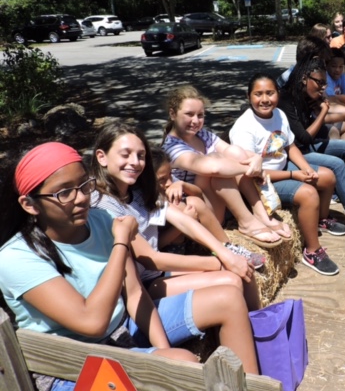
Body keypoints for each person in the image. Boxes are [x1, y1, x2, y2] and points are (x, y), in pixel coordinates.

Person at [0, 143, 259, 391]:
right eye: (64, 192)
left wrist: (161, 348)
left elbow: (134, 293)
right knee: (186, 365)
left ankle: (253, 385)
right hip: (71, 363)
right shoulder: (16, 257)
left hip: (122, 327)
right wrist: (121, 243)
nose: (81, 198)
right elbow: (92, 322)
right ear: (29, 204)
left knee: (228, 298)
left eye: (84, 185)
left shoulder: (99, 219)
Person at [90, 121, 261, 311]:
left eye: (140, 156)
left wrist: (225, 253)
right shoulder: (103, 205)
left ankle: (260, 324)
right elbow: (149, 258)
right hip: (140, 289)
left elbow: (183, 221)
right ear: (101, 157)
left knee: (242, 272)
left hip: (158, 274)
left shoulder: (137, 190)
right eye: (125, 154)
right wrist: (219, 262)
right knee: (232, 279)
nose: (135, 162)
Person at [230, 73, 344, 275]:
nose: (265, 99)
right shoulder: (244, 127)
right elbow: (250, 174)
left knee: (327, 177)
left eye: (270, 93)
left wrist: (304, 168)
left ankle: (320, 219)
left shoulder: (279, 115)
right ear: (249, 97)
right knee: (308, 194)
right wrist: (294, 176)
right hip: (262, 181)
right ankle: (312, 251)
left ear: (277, 94)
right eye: (258, 94)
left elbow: (290, 146)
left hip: (284, 167)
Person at [162, 85, 291, 248]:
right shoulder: (171, 147)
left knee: (234, 152)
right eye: (189, 114)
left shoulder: (201, 134)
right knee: (216, 163)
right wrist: (251, 170)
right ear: (173, 114)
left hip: (215, 203)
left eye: (200, 115)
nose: (195, 121)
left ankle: (261, 213)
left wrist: (256, 158)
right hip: (201, 214)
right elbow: (212, 168)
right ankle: (246, 221)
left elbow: (235, 152)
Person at [278, 56, 345, 245]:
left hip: (308, 146)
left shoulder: (308, 96)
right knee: (336, 165)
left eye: (324, 84)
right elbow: (304, 137)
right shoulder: (288, 101)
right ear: (305, 78)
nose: (323, 88)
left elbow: (317, 122)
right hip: (297, 153)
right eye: (319, 83)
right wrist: (322, 111)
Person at [151, 147, 266, 270]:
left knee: (194, 201)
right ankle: (223, 253)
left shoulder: (170, 182)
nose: (169, 182)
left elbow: (199, 195)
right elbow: (156, 244)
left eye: (170, 175)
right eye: (162, 180)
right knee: (179, 206)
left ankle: (227, 247)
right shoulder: (147, 202)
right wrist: (184, 222)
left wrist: (182, 185)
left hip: (188, 233)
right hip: (168, 252)